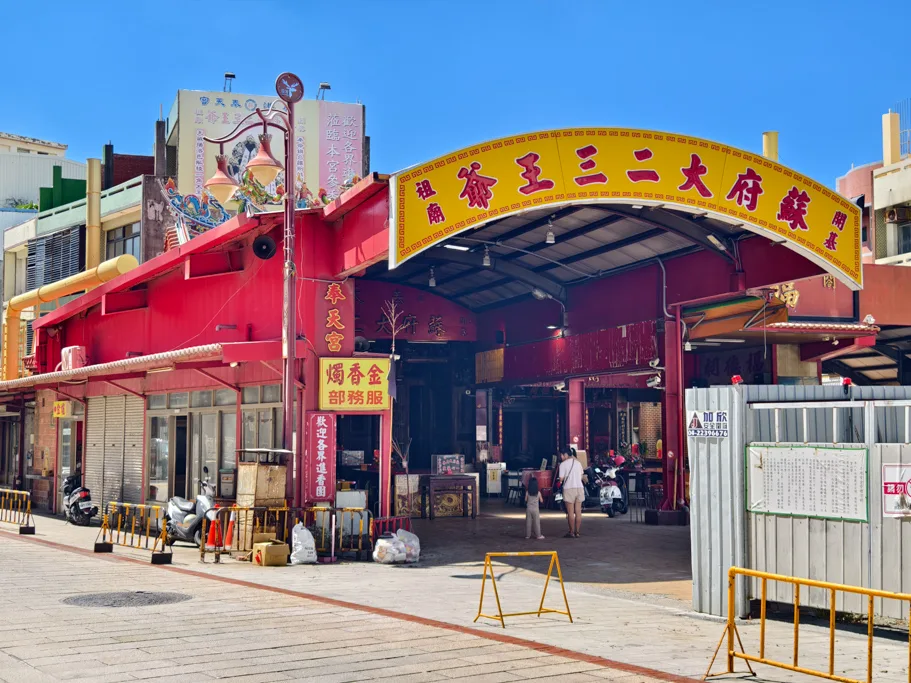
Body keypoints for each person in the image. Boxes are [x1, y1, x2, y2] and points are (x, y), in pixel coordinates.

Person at [557, 447, 584, 538]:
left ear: (565, 455)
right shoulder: (578, 463)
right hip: (579, 488)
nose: (560, 456)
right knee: (578, 511)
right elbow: (581, 476)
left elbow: (561, 479)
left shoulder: (563, 465)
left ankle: (571, 532)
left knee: (570, 512)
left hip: (569, 488)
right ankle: (578, 532)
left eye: (561, 455)